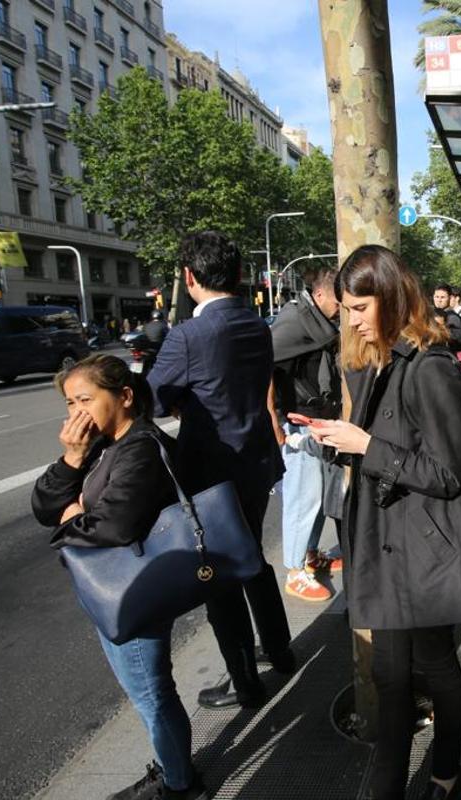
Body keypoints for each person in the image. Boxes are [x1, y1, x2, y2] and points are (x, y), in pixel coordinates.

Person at [308, 245, 461, 800]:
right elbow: (379, 445)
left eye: (359, 308)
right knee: (388, 674)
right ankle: (387, 780)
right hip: (382, 540)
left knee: (434, 665)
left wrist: (366, 445)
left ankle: (446, 769)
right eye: (347, 309)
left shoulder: (429, 366)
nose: (350, 319)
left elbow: (448, 473)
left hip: (422, 545)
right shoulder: (376, 360)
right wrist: (337, 439)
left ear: (391, 297)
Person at [31, 355, 206, 800]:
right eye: (70, 403)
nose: (76, 414)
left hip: (134, 593)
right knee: (149, 691)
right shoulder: (101, 442)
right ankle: (174, 770)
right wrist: (71, 460)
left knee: (152, 694)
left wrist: (72, 515)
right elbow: (43, 504)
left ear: (124, 396)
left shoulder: (141, 447)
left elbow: (114, 526)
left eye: (86, 399)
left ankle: (180, 784)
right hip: (114, 588)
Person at [147, 231, 293, 710]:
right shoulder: (255, 322)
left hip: (212, 474)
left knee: (219, 575)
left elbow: (151, 399)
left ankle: (245, 682)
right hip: (254, 463)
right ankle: (279, 649)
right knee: (251, 558)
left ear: (189, 277)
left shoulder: (188, 334)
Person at [270, 267, 344, 603]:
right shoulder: (294, 321)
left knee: (317, 496)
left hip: (316, 416)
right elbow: (264, 367)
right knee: (304, 496)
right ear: (320, 295)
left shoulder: (317, 322)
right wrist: (272, 418)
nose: (342, 307)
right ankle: (294, 570)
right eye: (338, 300)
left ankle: (310, 555)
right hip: (298, 419)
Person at [432, 283, 461, 356]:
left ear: (450, 298)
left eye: (442, 297)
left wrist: (441, 329)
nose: (439, 300)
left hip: (448, 359)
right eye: (436, 297)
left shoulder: (452, 317)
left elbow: (460, 336)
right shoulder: (437, 314)